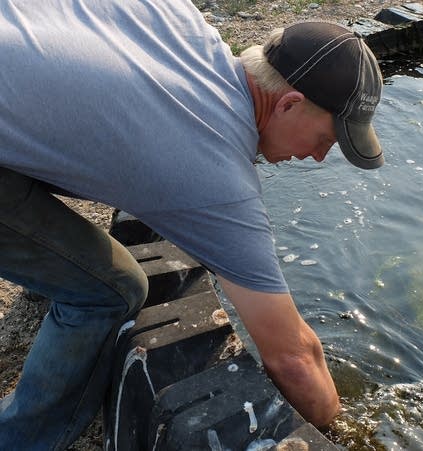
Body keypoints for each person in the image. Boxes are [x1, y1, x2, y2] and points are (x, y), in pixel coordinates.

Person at [0, 0, 383, 448]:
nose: (319, 156)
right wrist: (340, 434)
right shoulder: (214, 176)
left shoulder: (177, 19)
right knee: (113, 291)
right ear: (289, 104)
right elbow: (293, 357)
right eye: (326, 138)